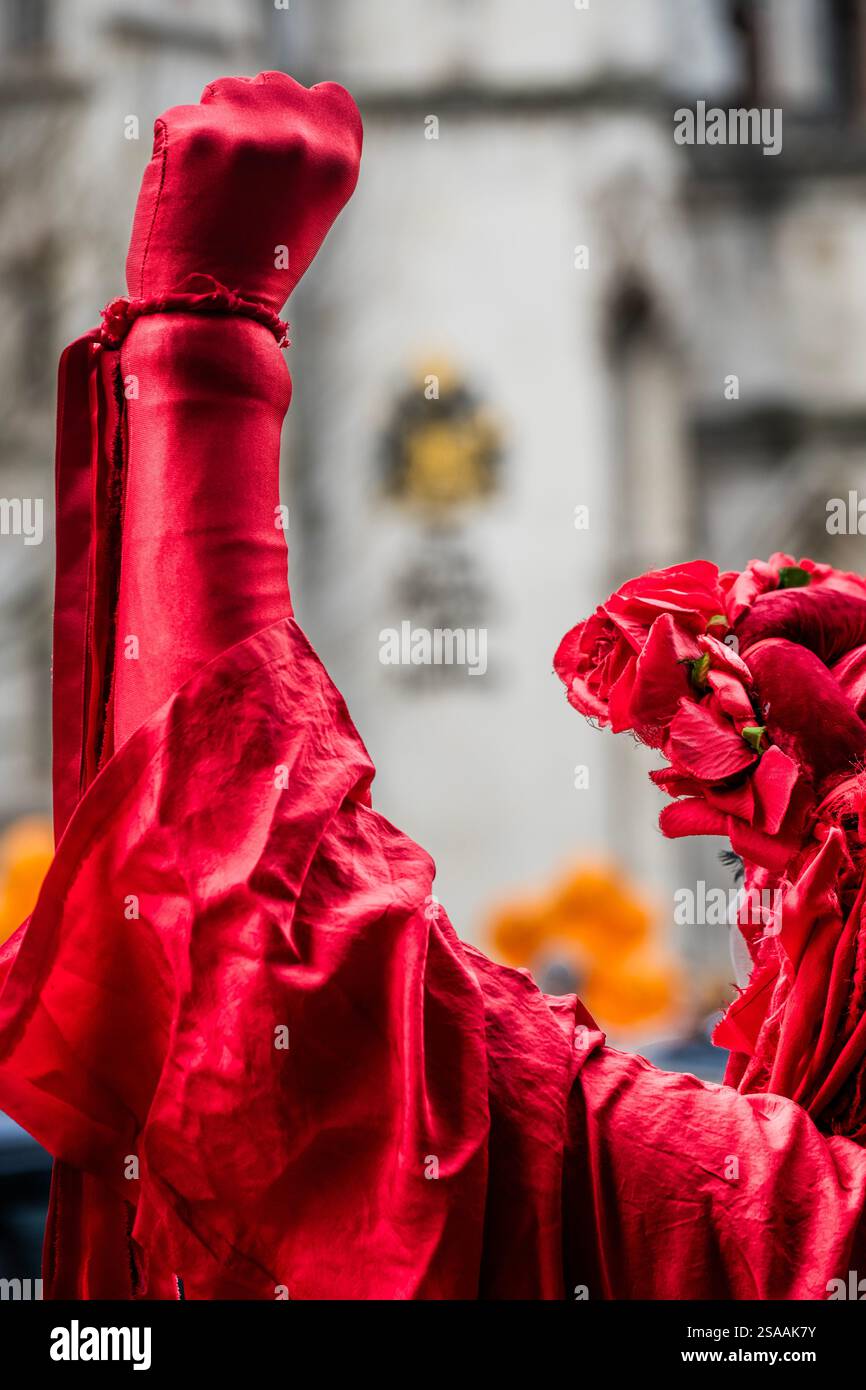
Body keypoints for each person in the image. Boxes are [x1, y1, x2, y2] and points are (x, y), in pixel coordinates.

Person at [1, 72, 866, 1300]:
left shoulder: (800, 1229)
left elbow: (319, 1019)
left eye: (775, 880)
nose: (756, 948)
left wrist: (206, 364)